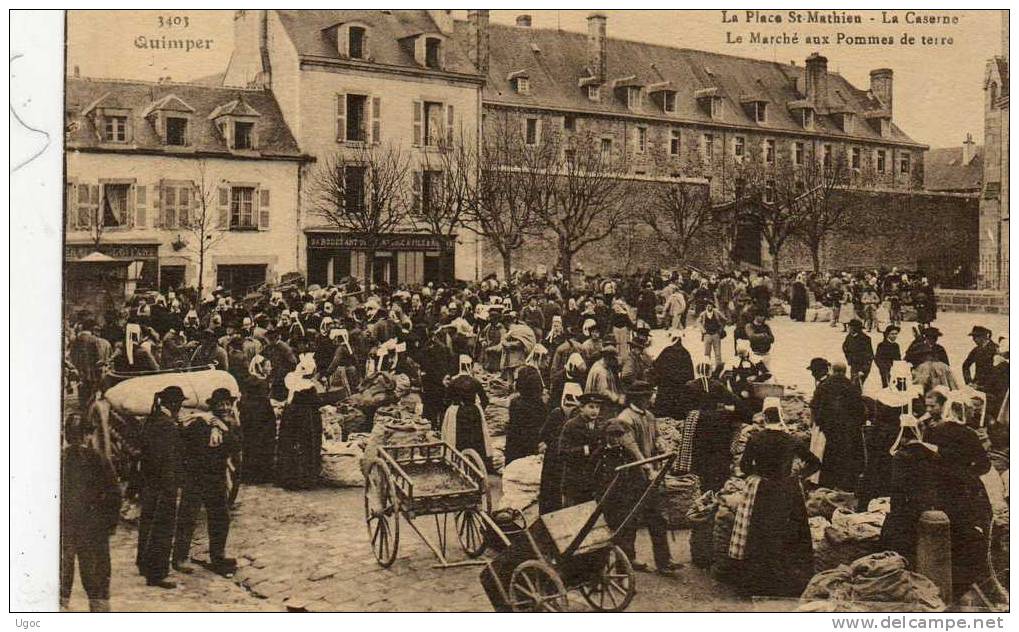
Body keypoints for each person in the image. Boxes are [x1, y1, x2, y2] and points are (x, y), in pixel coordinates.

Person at [729, 425, 820, 597]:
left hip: (764, 490)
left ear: (765, 418)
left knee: (760, 535)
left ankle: (759, 583)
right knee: (788, 535)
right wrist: (799, 475)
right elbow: (815, 462)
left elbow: (745, 466)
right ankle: (787, 582)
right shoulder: (791, 439)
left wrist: (757, 472)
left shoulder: (756, 438)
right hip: (787, 491)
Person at [601, 382, 681, 576]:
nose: (652, 398)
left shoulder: (650, 417)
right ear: (639, 398)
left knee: (657, 518)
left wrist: (661, 445)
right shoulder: (625, 419)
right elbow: (633, 449)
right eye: (649, 395)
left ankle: (664, 561)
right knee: (629, 519)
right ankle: (626, 561)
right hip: (631, 478)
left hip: (649, 476)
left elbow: (656, 438)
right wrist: (647, 467)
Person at [174, 388, 241, 577]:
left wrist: (227, 429)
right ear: (213, 406)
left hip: (216, 478)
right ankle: (179, 557)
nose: (225, 407)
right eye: (221, 404)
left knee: (221, 518)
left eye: (228, 404)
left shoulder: (229, 425)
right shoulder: (200, 423)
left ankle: (218, 556)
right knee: (188, 517)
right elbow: (185, 445)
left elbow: (235, 447)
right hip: (196, 477)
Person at [61, 413, 120, 611]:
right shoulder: (99, 459)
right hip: (94, 526)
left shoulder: (59, 459)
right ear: (88, 435)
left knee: (61, 571)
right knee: (97, 574)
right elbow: (114, 494)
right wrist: (110, 524)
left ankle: (58, 609)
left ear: (67, 435)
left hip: (64, 526)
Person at [136, 386, 187, 588]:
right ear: (174, 404)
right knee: (163, 528)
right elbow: (167, 459)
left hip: (149, 482)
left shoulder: (152, 419)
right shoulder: (168, 426)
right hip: (164, 483)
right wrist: (171, 485)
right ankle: (157, 574)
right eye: (180, 404)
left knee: (147, 523)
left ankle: (143, 563)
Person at [810, 362, 866, 491]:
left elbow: (815, 406)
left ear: (833, 371)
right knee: (846, 456)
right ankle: (845, 484)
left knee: (828, 456)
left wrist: (818, 423)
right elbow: (860, 410)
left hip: (828, 428)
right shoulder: (852, 387)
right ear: (845, 372)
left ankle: (827, 483)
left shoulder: (824, 386)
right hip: (848, 430)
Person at [276, 356, 323, 490]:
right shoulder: (309, 387)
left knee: (290, 444)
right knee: (307, 445)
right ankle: (305, 478)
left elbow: (289, 400)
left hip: (291, 416)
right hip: (306, 419)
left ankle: (288, 476)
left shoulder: (293, 382)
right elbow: (316, 402)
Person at [442, 356, 493, 470]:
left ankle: (457, 463)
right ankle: (476, 463)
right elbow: (485, 400)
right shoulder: (475, 382)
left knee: (457, 439)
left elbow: (446, 400)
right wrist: (478, 409)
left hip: (457, 413)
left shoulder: (453, 382)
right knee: (475, 438)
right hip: (474, 412)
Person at [557, 393, 606, 507]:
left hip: (592, 480)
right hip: (574, 480)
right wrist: (586, 449)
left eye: (597, 407)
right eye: (591, 406)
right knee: (572, 515)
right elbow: (562, 452)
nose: (595, 411)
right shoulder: (571, 425)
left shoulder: (600, 426)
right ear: (582, 408)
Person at [504, 365, 547, 465]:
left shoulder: (515, 403)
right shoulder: (541, 404)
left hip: (516, 445)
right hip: (534, 443)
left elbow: (513, 426)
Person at [651, 330, 694, 418]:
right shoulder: (685, 353)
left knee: (663, 411)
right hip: (679, 389)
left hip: (666, 388)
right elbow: (690, 374)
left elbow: (656, 366)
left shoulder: (666, 351)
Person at [585, 342, 625, 415]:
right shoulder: (601, 370)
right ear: (608, 358)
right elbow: (603, 391)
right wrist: (617, 398)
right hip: (598, 405)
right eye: (613, 359)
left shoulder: (605, 366)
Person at [962, 325, 998, 390]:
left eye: (975, 337)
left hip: (992, 386)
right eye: (973, 337)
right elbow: (965, 365)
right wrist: (969, 382)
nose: (973, 339)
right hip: (977, 384)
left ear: (983, 337)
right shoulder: (976, 350)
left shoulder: (995, 349)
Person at [842, 319, 874, 387]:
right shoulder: (849, 337)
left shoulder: (865, 339)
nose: (849, 328)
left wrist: (863, 370)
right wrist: (849, 358)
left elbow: (869, 356)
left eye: (850, 327)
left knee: (856, 385)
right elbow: (845, 347)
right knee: (853, 385)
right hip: (854, 365)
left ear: (855, 328)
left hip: (862, 366)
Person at [698, 301, 727, 374]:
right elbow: (698, 322)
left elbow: (724, 320)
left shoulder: (716, 313)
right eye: (708, 306)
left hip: (716, 334)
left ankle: (718, 369)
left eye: (710, 306)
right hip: (707, 335)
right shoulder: (703, 314)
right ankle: (707, 368)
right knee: (707, 353)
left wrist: (721, 329)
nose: (709, 307)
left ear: (712, 306)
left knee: (718, 352)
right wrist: (703, 330)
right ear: (706, 307)